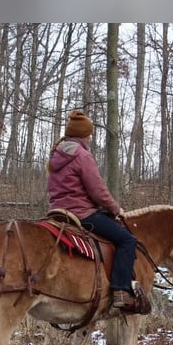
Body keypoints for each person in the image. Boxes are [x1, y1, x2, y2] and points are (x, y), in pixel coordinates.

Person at [46, 109, 139, 311]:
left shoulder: (56, 154)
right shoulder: (82, 155)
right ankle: (120, 292)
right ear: (83, 135)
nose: (90, 138)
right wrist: (116, 209)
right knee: (127, 240)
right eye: (89, 134)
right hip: (81, 213)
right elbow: (98, 191)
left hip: (56, 213)